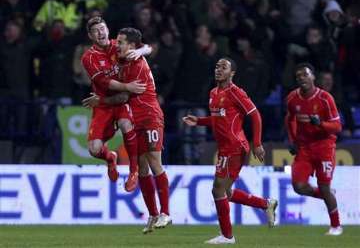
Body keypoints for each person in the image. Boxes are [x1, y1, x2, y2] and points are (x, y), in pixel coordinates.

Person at [82, 27, 171, 234]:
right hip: (136, 117)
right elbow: (148, 48)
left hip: (149, 116)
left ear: (131, 46)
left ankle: (166, 213)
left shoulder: (135, 65)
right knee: (142, 167)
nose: (116, 45)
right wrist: (143, 50)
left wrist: (100, 100)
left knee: (154, 161)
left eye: (121, 42)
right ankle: (153, 214)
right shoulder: (124, 59)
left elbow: (123, 97)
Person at [182, 58, 278, 245]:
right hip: (225, 147)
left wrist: (257, 143)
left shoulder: (236, 92)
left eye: (223, 67)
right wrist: (199, 121)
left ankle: (227, 236)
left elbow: (255, 116)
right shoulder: (213, 92)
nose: (218, 69)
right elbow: (219, 118)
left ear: (232, 73)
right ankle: (266, 204)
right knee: (225, 191)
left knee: (218, 188)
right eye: (217, 66)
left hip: (235, 146)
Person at [81, 16, 150, 192]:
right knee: (94, 149)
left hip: (121, 101)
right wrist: (128, 86)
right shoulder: (89, 57)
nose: (100, 32)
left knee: (126, 124)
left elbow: (149, 47)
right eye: (96, 31)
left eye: (102, 28)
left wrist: (140, 52)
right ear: (90, 36)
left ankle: (133, 170)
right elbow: (104, 82)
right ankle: (110, 158)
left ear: (108, 30)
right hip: (103, 104)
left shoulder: (119, 44)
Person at [285, 63, 343, 236]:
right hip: (304, 148)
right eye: (298, 76)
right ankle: (327, 195)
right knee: (298, 186)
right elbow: (290, 120)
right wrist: (293, 140)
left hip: (324, 147)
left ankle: (336, 226)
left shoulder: (325, 98)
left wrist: (321, 124)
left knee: (324, 186)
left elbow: (337, 126)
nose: (301, 78)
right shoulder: (292, 99)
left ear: (313, 77)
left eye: (305, 74)